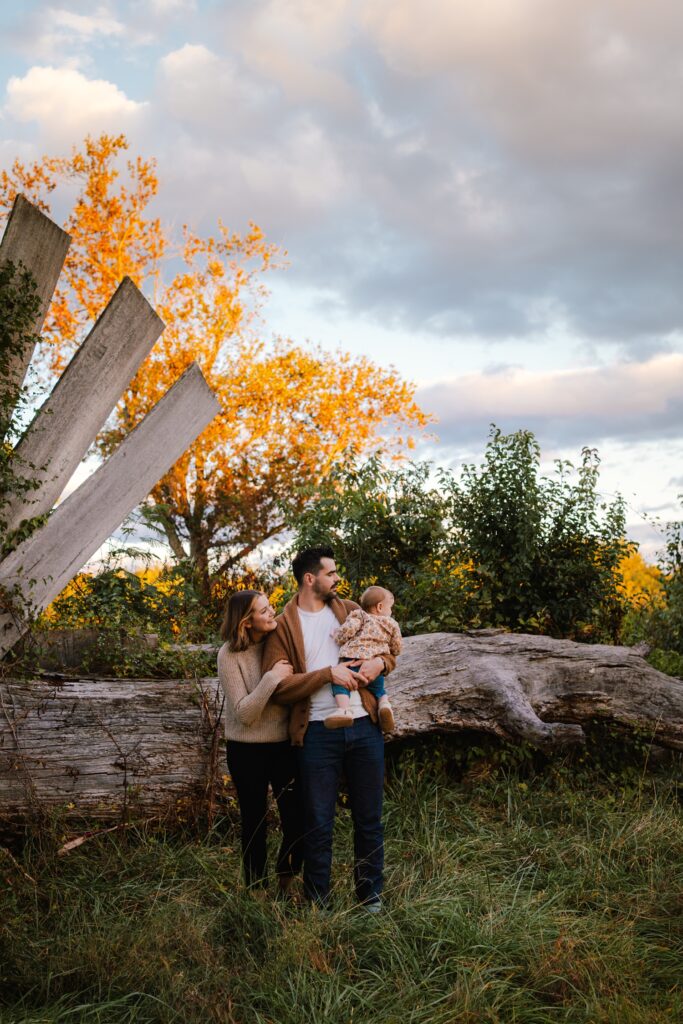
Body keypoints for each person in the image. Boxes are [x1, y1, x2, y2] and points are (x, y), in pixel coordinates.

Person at [262, 547, 399, 911]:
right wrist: (327, 675)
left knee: (369, 818)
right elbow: (279, 689)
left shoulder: (350, 609)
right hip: (317, 733)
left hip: (364, 726)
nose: (338, 579)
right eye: (331, 573)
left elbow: (387, 650)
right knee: (318, 822)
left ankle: (370, 898)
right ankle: (319, 904)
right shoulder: (283, 626)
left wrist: (378, 665)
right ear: (311, 578)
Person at [217, 589, 304, 896]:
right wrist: (272, 678)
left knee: (297, 817)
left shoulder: (278, 639)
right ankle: (255, 889)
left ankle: (285, 882)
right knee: (254, 822)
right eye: (264, 611)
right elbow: (245, 714)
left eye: (271, 608)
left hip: (283, 747)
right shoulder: (229, 655)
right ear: (245, 622)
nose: (272, 614)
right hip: (246, 750)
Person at [325, 585, 402, 733]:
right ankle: (384, 706)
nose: (391, 611)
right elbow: (397, 648)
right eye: (390, 607)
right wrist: (388, 652)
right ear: (380, 607)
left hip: (353, 665)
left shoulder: (359, 616)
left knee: (340, 685)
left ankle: (344, 710)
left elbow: (347, 631)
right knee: (379, 689)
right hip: (375, 670)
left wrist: (337, 636)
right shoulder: (391, 624)